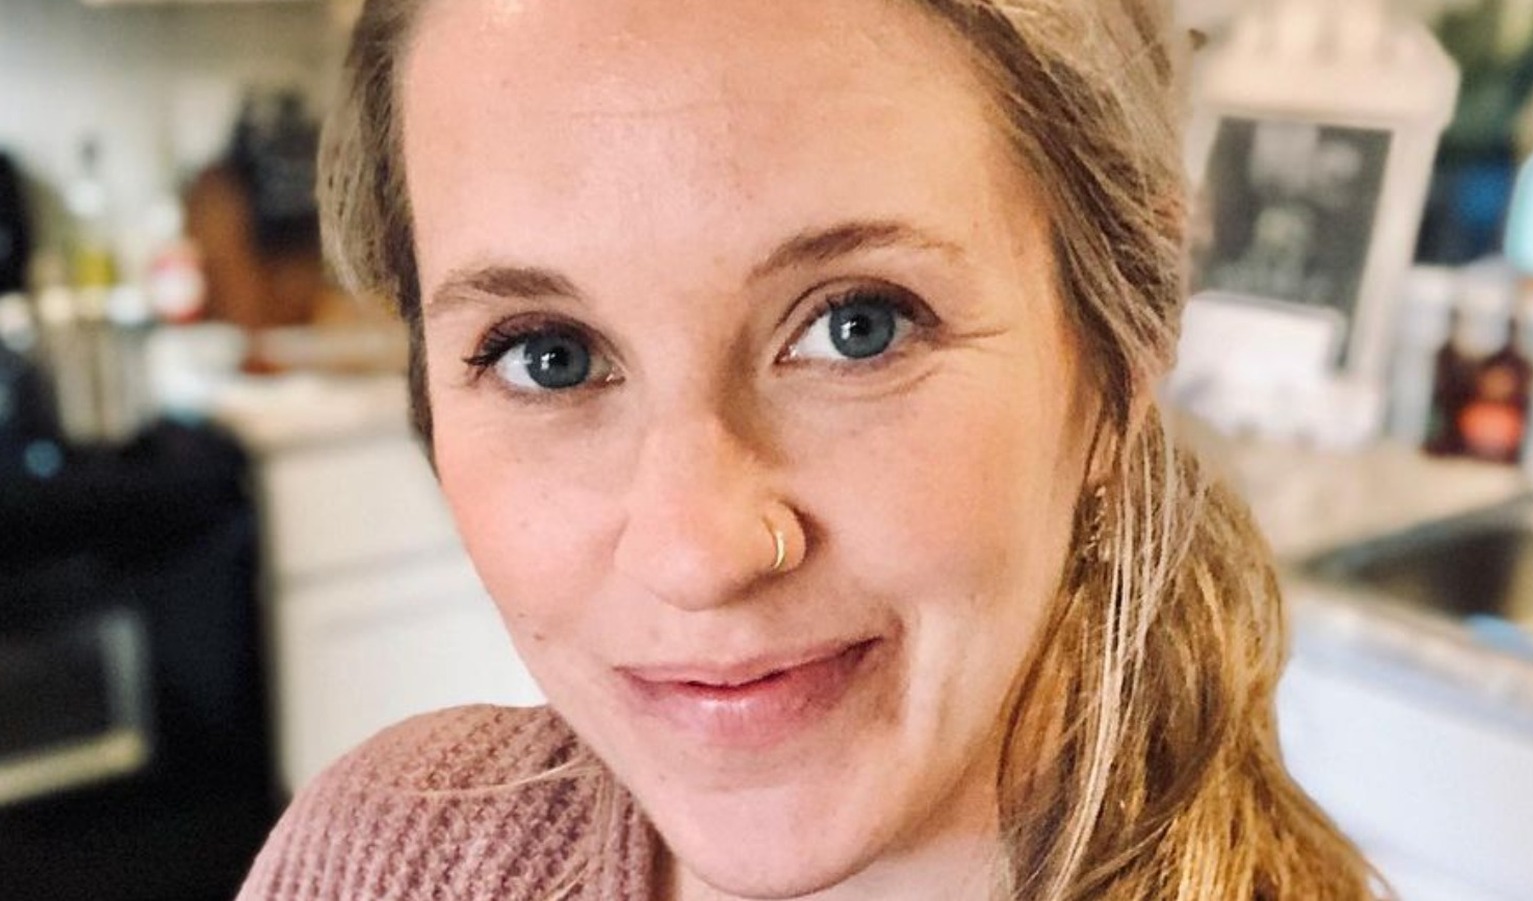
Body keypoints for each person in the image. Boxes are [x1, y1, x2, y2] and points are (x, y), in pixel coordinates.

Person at [239, 1, 1382, 898]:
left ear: (1122, 347)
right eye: (549, 356)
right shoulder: (387, 861)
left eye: (857, 326)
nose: (696, 555)